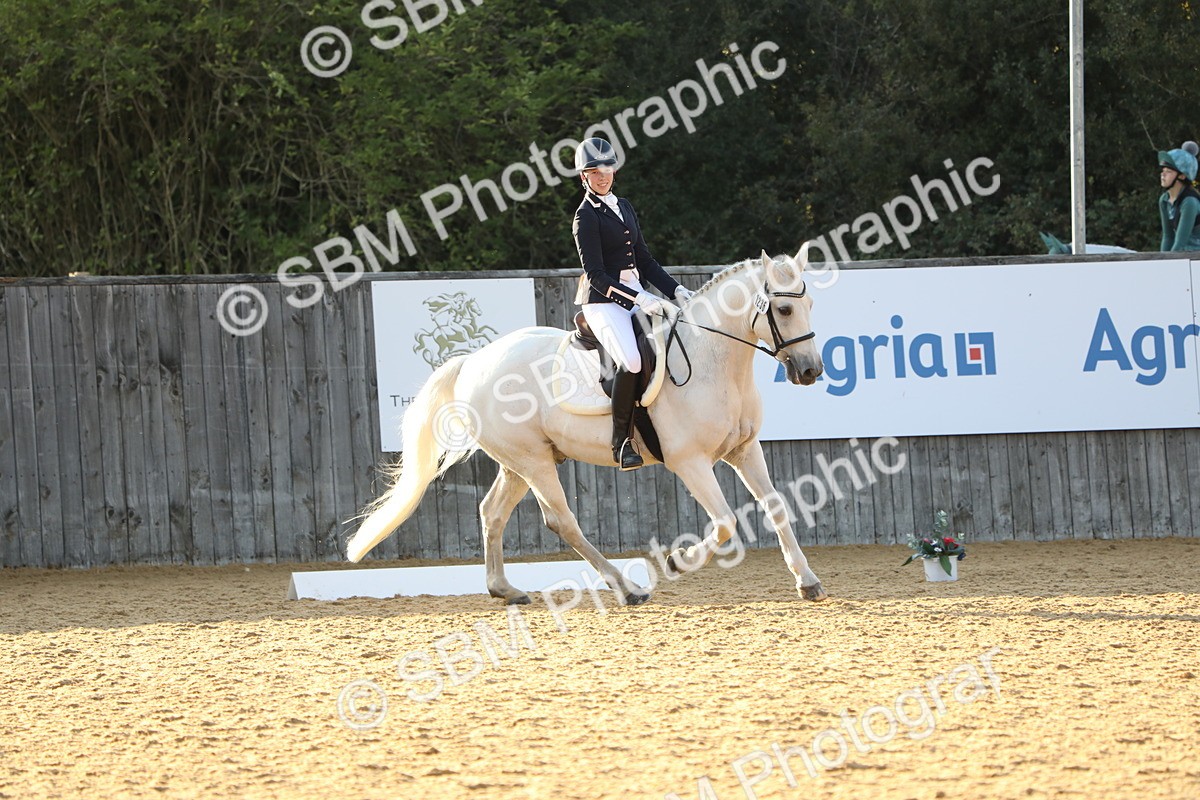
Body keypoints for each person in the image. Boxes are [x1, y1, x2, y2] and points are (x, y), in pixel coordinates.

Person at [571, 137, 692, 470]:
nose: (602, 176)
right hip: (603, 304)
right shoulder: (585, 217)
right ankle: (621, 442)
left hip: (639, 294)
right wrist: (640, 297)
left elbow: (645, 259)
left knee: (677, 339)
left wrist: (677, 290)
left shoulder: (624, 206)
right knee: (633, 360)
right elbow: (595, 275)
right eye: (594, 172)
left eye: (607, 169)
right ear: (584, 177)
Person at [1158, 141, 1200, 251]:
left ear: (1181, 176)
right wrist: (1160, 261)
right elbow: (1168, 237)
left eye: (1169, 171)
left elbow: (1180, 242)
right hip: (1182, 257)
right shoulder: (1164, 200)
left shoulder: (1190, 202)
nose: (1163, 174)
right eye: (1163, 170)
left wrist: (1169, 264)